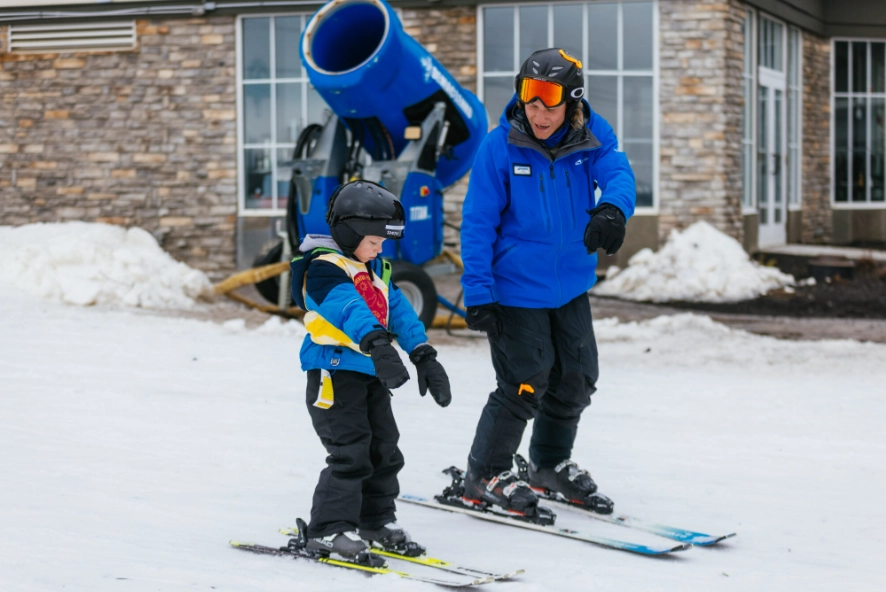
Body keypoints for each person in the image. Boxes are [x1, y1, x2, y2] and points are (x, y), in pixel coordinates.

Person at [459, 48, 636, 519]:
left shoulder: (593, 135)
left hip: (570, 285)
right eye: (529, 99)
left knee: (577, 379)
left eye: (549, 101)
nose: (537, 111)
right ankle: (487, 472)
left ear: (572, 100)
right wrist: (477, 291)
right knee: (523, 381)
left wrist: (613, 208)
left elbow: (617, 172)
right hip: (514, 288)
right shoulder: (499, 147)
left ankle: (549, 464)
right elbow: (477, 222)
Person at [290, 180, 452, 561]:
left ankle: (375, 521)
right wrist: (378, 343)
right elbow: (349, 309)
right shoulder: (325, 269)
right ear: (350, 232)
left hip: (369, 373)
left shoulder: (375, 267)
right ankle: (328, 530)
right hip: (333, 374)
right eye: (374, 240)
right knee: (350, 452)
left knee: (384, 448)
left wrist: (423, 353)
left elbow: (398, 310)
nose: (380, 248)